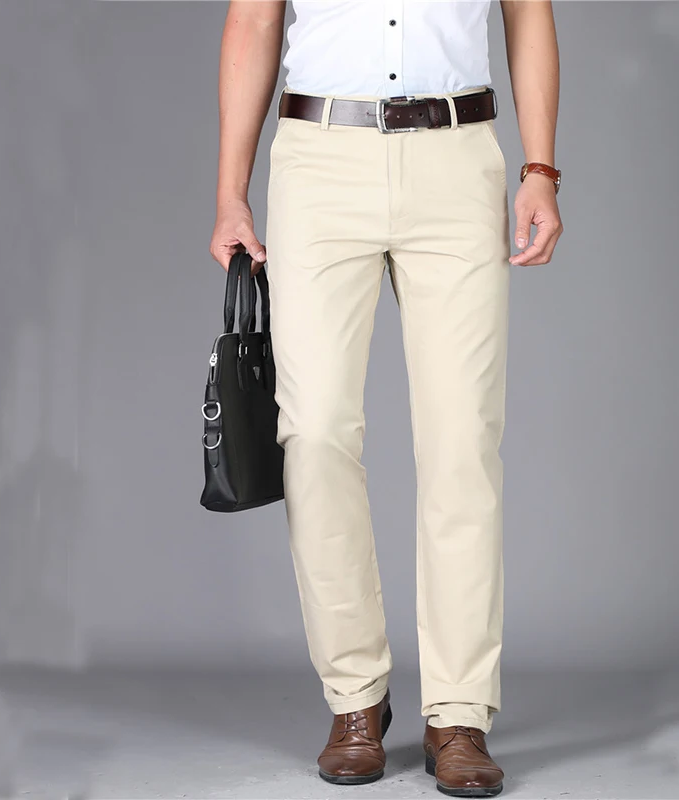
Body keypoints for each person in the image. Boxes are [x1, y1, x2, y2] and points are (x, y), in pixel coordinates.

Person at [209, 1, 562, 796]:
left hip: (457, 155)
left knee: (463, 441)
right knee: (315, 432)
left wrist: (541, 169)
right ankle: (354, 700)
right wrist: (232, 191)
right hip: (320, 159)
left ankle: (460, 713)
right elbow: (254, 21)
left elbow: (528, 11)